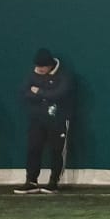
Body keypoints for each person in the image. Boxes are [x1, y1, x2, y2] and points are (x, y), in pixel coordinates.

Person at [18, 48, 73, 194]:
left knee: (56, 150)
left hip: (58, 120)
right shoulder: (32, 74)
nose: (40, 69)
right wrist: (45, 94)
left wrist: (39, 91)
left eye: (43, 66)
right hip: (36, 119)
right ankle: (31, 181)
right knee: (33, 148)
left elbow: (59, 94)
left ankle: (53, 182)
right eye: (38, 66)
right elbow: (24, 92)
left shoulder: (63, 76)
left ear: (50, 65)